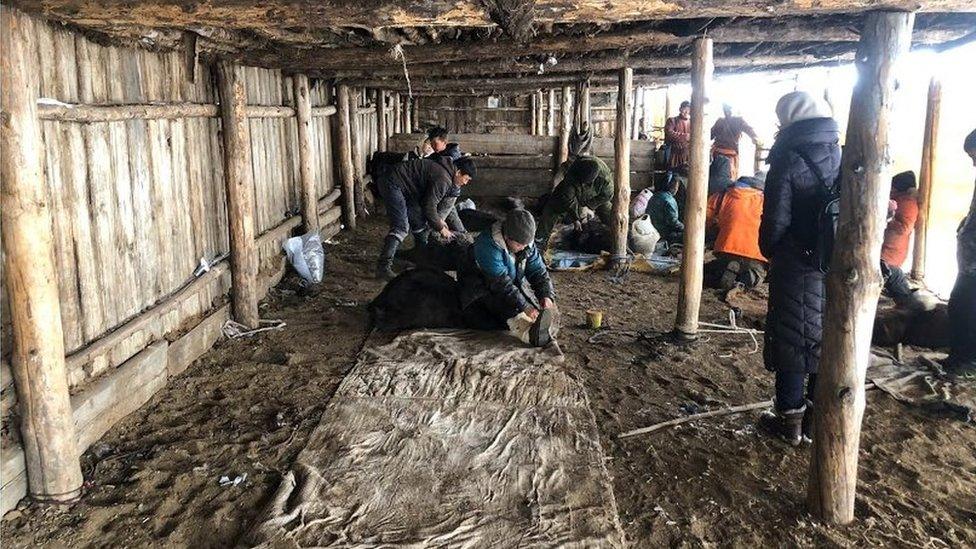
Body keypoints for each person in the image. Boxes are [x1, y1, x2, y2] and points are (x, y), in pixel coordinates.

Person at [757, 91, 840, 445]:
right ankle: (813, 421)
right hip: (835, 261)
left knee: (792, 340)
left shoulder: (788, 160)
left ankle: (789, 422)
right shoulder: (844, 153)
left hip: (796, 262)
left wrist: (772, 251)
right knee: (824, 339)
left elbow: (775, 223)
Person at [458, 209, 558, 347]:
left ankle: (531, 328)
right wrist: (524, 306)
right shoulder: (487, 245)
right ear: (507, 236)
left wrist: (546, 294)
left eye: (526, 244)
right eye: (518, 244)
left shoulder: (525, 243)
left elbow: (538, 271)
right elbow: (500, 284)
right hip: (478, 287)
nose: (523, 248)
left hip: (507, 283)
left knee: (529, 307)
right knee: (504, 314)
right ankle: (528, 333)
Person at [375, 155, 477, 280]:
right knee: (401, 227)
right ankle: (383, 267)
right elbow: (429, 207)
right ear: (459, 172)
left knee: (419, 222)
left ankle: (421, 259)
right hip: (392, 183)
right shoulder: (443, 179)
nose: (465, 183)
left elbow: (443, 207)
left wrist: (440, 222)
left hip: (404, 187)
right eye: (465, 179)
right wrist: (440, 228)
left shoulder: (446, 173)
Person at [945, 129, 976, 376]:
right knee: (959, 306)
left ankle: (965, 360)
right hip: (969, 263)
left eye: (974, 156)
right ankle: (961, 357)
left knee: (962, 307)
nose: (974, 163)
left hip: (973, 265)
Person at [535, 155, 614, 251]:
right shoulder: (574, 170)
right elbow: (568, 198)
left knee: (612, 216)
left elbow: (607, 195)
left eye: (588, 183)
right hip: (573, 192)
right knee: (552, 210)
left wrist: (590, 206)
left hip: (595, 196)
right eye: (583, 182)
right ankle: (539, 243)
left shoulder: (604, 177)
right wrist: (576, 218)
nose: (584, 184)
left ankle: (622, 242)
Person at [705, 173, 767, 289]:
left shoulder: (722, 195)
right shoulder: (767, 200)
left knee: (710, 270)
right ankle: (750, 276)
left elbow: (704, 221)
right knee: (759, 274)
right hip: (756, 254)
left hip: (726, 250)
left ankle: (724, 271)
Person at [880, 171, 919, 301]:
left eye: (893, 187)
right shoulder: (897, 199)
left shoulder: (907, 202)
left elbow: (904, 228)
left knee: (892, 275)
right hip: (886, 250)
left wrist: (887, 217)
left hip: (889, 253)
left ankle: (909, 302)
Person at [710, 104, 760, 180]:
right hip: (723, 154)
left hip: (725, 154)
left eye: (728, 109)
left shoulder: (737, 120)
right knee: (726, 177)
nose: (727, 111)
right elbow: (710, 135)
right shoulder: (722, 121)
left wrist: (755, 138)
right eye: (725, 109)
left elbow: (749, 130)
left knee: (722, 176)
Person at [646, 177, 684, 246]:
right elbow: (673, 221)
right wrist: (684, 228)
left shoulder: (655, 196)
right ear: (674, 187)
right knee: (688, 235)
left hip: (650, 229)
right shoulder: (669, 200)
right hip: (662, 233)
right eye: (676, 186)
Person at [664, 101, 692, 174]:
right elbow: (669, 133)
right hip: (673, 153)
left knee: (685, 177)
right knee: (671, 176)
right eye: (684, 109)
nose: (686, 112)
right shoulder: (672, 120)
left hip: (687, 155)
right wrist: (686, 136)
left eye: (689, 110)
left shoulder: (693, 123)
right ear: (680, 109)